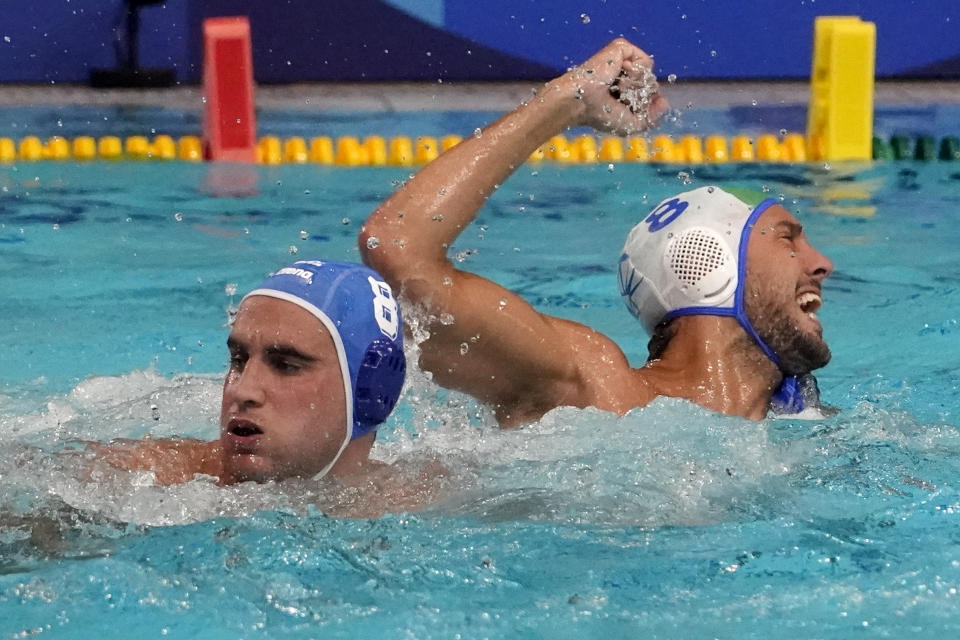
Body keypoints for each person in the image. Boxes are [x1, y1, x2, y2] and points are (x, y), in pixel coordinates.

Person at [359, 38, 834, 427]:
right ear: (707, 262)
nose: (822, 264)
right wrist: (566, 102)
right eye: (787, 239)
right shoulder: (595, 388)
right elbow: (397, 246)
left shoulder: (810, 428)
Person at [90, 260, 407, 485]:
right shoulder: (163, 479)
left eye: (285, 365)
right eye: (239, 359)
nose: (242, 391)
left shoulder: (421, 500)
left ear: (371, 389)